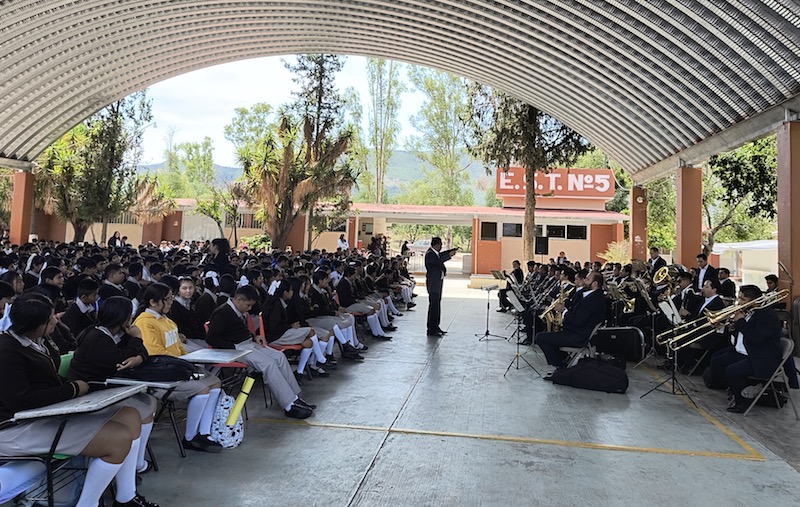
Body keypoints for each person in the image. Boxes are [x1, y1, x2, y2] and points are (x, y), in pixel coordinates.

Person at [0, 293, 160, 507]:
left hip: (47, 412)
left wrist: (80, 388)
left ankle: (126, 496)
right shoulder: (7, 352)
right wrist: (73, 389)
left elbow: (49, 382)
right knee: (118, 439)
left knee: (130, 415)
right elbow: (20, 400)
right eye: (50, 319)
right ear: (33, 325)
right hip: (16, 427)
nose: (56, 320)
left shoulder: (36, 341)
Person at [68, 296, 158, 475]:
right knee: (144, 407)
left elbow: (141, 354)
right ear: (122, 318)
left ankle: (137, 463)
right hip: (91, 391)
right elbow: (120, 361)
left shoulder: (117, 334)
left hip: (109, 385)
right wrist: (137, 339)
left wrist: (138, 357)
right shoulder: (96, 337)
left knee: (148, 404)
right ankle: (134, 464)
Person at [133, 283, 223, 453]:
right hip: (161, 372)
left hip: (176, 366)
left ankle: (203, 431)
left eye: (171, 298)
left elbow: (177, 345)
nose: (171, 302)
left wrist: (187, 359)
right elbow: (155, 352)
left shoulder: (165, 318)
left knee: (215, 382)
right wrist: (181, 361)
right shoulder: (145, 322)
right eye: (167, 299)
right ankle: (190, 437)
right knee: (203, 388)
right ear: (153, 302)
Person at [205, 285, 314, 419]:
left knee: (279, 357)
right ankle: (288, 405)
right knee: (268, 364)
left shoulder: (237, 310)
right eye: (248, 305)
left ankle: (294, 397)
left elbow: (240, 331)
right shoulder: (222, 312)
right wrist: (233, 346)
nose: (249, 309)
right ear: (238, 299)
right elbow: (211, 337)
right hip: (237, 348)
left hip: (248, 343)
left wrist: (254, 336)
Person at [706, 285, 783, 413]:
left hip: (761, 357)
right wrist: (732, 327)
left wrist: (740, 322)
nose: (739, 303)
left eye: (742, 299)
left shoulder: (767, 315)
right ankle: (740, 388)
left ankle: (743, 402)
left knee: (732, 370)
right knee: (715, 360)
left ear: (754, 300)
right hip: (743, 351)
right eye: (738, 298)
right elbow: (742, 334)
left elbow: (755, 338)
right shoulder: (749, 311)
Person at [537, 271, 607, 377]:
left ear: (595, 283)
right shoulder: (592, 296)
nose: (584, 282)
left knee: (541, 338)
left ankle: (560, 367)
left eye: (587, 280)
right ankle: (563, 361)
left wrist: (563, 311)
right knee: (550, 336)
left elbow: (578, 321)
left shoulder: (594, 300)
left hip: (578, 336)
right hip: (576, 332)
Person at [424, 237, 457, 337]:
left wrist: (450, 252)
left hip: (437, 283)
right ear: (436, 245)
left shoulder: (435, 254)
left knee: (437, 306)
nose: (441, 247)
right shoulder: (430, 254)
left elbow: (441, 256)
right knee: (433, 307)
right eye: (440, 245)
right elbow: (438, 261)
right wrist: (448, 255)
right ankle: (431, 329)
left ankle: (436, 326)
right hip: (433, 284)